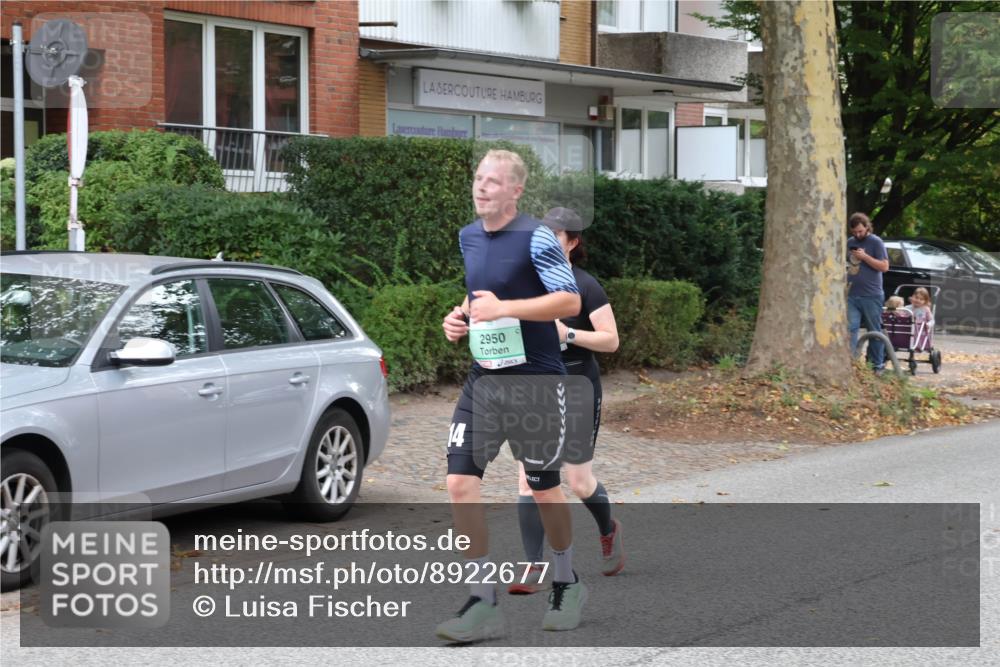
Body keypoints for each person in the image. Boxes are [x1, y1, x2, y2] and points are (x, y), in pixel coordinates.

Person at [436, 150, 586, 642]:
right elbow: (480, 294)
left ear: (516, 191)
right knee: (460, 483)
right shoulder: (469, 236)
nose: (481, 187)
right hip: (484, 380)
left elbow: (569, 299)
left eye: (493, 181)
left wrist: (508, 309)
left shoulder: (537, 237)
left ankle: (566, 580)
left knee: (543, 488)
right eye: (478, 178)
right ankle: (482, 601)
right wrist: (459, 317)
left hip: (535, 382)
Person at [509, 207, 624, 596]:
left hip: (577, 387)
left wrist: (567, 335)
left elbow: (611, 340)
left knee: (578, 481)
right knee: (529, 481)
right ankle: (535, 567)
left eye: (555, 235)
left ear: (572, 242)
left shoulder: (585, 286)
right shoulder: (525, 282)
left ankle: (608, 528)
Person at [846, 212, 890, 371]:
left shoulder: (876, 242)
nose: (858, 235)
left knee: (874, 330)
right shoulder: (850, 242)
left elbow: (884, 267)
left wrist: (865, 257)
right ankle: (851, 363)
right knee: (851, 328)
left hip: (872, 294)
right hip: (852, 293)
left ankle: (876, 365)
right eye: (854, 232)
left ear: (867, 227)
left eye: (860, 231)